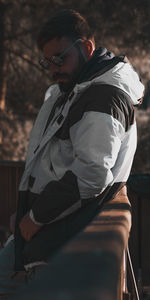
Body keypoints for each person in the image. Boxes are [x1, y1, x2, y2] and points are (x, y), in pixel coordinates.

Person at [0, 9, 144, 298]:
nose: (52, 68)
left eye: (59, 58)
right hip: (48, 230)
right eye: (47, 61)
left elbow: (91, 174)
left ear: (86, 48)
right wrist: (27, 207)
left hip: (62, 238)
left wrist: (35, 218)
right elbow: (53, 162)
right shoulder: (73, 90)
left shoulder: (103, 97)